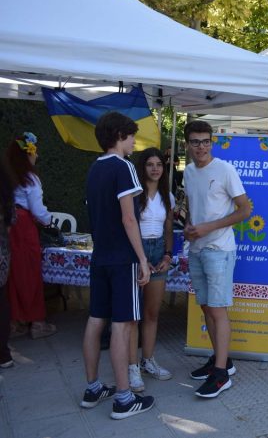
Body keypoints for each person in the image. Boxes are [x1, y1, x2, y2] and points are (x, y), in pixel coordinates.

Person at [81, 112, 154, 419]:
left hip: (100, 256)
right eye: (132, 136)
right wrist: (142, 258)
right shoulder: (123, 167)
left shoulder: (93, 169)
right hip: (121, 259)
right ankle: (124, 399)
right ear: (121, 135)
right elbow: (128, 218)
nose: (135, 141)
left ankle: (93, 387)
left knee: (96, 320)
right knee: (122, 326)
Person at [183, 120, 250, 398]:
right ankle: (221, 360)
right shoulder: (187, 172)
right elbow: (192, 207)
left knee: (218, 310)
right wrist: (189, 227)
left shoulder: (225, 169)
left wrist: (207, 228)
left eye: (206, 141)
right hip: (197, 249)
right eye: (196, 142)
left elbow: (245, 210)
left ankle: (221, 375)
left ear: (212, 142)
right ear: (187, 144)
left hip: (219, 249)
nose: (201, 147)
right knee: (207, 308)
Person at [127, 148, 175, 393]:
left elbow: (168, 229)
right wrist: (141, 257)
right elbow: (129, 225)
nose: (155, 168)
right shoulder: (134, 194)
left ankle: (148, 360)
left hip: (159, 252)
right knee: (133, 315)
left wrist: (168, 255)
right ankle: (132, 367)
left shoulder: (168, 196)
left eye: (159, 164)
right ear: (142, 167)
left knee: (152, 313)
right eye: (150, 164)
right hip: (137, 251)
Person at [5, 132, 57, 339]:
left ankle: (15, 322)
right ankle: (37, 323)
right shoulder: (30, 178)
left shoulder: (7, 177)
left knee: (12, 274)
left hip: (7, 226)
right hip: (24, 227)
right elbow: (37, 210)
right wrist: (48, 221)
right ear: (29, 153)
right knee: (30, 272)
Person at [0, 158, 17, 368]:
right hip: (2, 253)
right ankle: (3, 354)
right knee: (1, 302)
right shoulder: (6, 189)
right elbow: (11, 223)